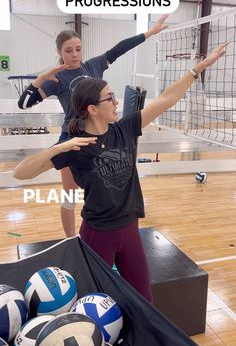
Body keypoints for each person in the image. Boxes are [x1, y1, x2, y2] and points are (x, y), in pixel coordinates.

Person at [13, 43, 226, 302]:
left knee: (144, 299)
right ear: (92, 109)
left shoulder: (124, 129)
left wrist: (200, 68)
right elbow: (21, 173)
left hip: (131, 230)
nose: (116, 102)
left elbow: (166, 99)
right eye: (110, 98)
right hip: (98, 234)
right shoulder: (76, 147)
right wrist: (59, 148)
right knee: (97, 301)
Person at [18, 16, 168, 237]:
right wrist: (40, 79)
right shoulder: (56, 78)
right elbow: (24, 104)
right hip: (73, 140)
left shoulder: (94, 65)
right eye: (68, 50)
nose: (75, 54)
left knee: (105, 188)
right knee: (70, 196)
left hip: (100, 136)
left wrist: (150, 32)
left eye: (78, 49)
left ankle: (109, 232)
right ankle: (71, 241)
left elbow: (119, 49)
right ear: (59, 52)